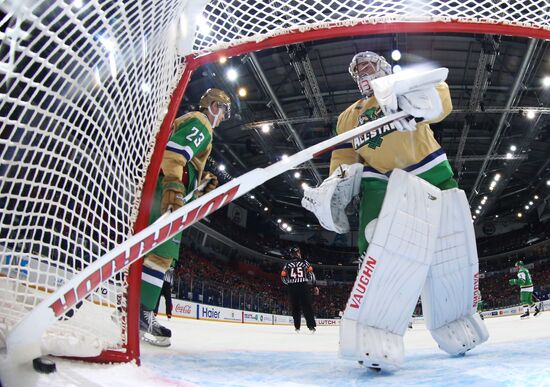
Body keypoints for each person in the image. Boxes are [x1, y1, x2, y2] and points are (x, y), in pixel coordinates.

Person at [302, 51, 488, 370]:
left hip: (428, 168)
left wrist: (418, 103)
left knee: (451, 245)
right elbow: (344, 155)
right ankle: (375, 330)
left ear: (383, 67)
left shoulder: (403, 85)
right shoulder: (348, 116)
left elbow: (441, 99)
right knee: (377, 247)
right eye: (357, 69)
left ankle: (456, 317)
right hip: (382, 179)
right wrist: (337, 183)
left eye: (369, 66)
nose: (363, 73)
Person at [139, 88, 231, 346]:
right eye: (224, 111)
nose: (224, 117)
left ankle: (138, 310)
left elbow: (182, 161)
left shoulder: (197, 125)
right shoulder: (202, 123)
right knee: (159, 255)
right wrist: (174, 189)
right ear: (214, 106)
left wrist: (200, 184)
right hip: (163, 191)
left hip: (162, 189)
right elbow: (175, 155)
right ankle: (140, 314)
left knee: (156, 256)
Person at [280, 246, 319, 333]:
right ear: (298, 253)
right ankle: (311, 326)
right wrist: (314, 285)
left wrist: (289, 283)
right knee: (307, 306)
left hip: (292, 287)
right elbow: (311, 274)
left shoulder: (287, 264)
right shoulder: (304, 262)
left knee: (295, 307)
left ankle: (297, 327)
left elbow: (282, 276)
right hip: (303, 286)